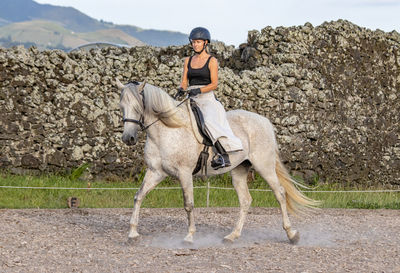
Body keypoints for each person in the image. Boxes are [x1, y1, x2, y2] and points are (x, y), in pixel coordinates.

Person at [177, 27, 243, 170]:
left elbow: (214, 84)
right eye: (193, 42)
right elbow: (184, 81)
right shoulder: (188, 60)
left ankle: (223, 155)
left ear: (205, 43)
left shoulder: (212, 61)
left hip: (206, 98)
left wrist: (199, 89)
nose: (195, 45)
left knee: (207, 121)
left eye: (198, 42)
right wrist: (181, 89)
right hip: (191, 97)